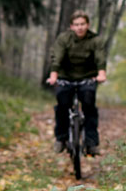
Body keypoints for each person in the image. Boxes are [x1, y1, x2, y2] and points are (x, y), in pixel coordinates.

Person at [45, 10, 107, 156]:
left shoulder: (95, 40)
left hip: (88, 77)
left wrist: (101, 73)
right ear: (71, 26)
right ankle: (61, 139)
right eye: (76, 25)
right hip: (65, 77)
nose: (80, 27)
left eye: (82, 24)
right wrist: (54, 75)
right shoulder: (64, 39)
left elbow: (100, 57)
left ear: (88, 25)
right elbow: (57, 56)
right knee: (62, 104)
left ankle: (92, 143)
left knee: (89, 104)